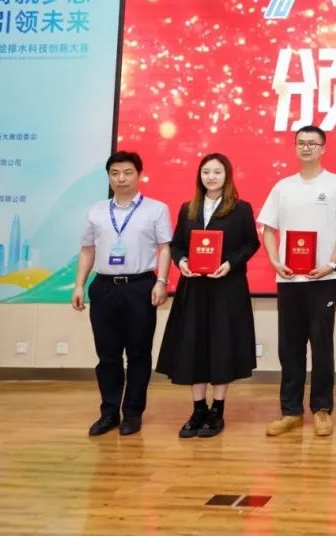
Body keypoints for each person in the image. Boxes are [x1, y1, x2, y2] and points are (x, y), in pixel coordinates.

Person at [258, 126, 336, 439]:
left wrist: (331, 264)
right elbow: (268, 228)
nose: (306, 148)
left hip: (323, 279)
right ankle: (290, 411)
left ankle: (322, 409)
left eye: (312, 143)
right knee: (290, 347)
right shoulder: (283, 187)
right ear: (294, 147)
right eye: (301, 143)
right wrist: (275, 261)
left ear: (323, 148)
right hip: (289, 279)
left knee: (322, 345)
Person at [156, 153, 259, 438]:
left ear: (227, 176)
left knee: (222, 346)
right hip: (194, 288)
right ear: (199, 176)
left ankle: (217, 410)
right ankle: (198, 408)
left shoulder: (240, 209)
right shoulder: (188, 208)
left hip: (227, 288)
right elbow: (177, 245)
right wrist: (182, 262)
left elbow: (251, 243)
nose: (211, 177)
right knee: (194, 346)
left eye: (217, 172)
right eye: (206, 172)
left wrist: (230, 263)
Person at [72, 151, 172, 437]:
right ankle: (109, 412)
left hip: (140, 286)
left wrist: (161, 281)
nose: (121, 178)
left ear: (139, 175)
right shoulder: (96, 211)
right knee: (107, 355)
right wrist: (79, 285)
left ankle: (133, 413)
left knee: (138, 353)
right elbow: (87, 250)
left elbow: (165, 247)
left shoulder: (156, 209)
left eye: (128, 173)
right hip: (104, 287)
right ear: (109, 177)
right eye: (115, 173)